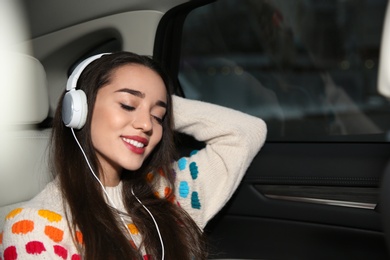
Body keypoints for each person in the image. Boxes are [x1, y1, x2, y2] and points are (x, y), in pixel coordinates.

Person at [0, 51, 267, 259]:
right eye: (128, 105)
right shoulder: (32, 226)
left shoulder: (169, 191)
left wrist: (164, 105)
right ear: (78, 109)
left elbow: (246, 132)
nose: (147, 125)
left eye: (158, 116)